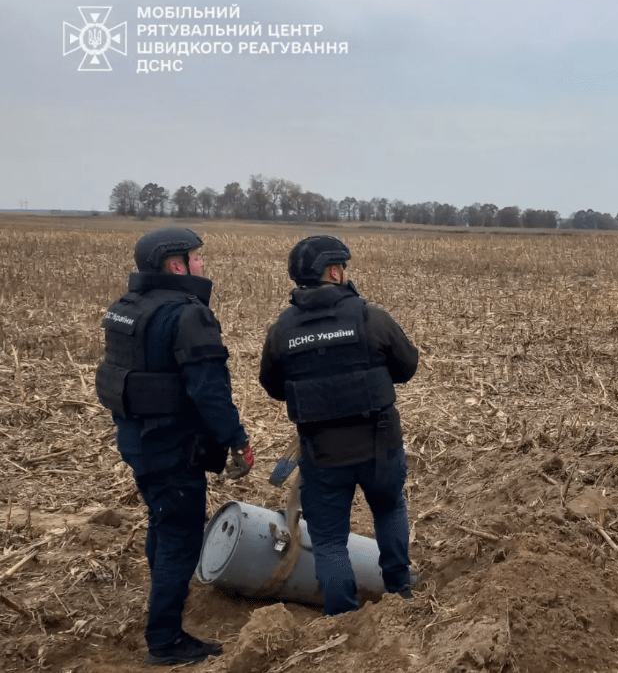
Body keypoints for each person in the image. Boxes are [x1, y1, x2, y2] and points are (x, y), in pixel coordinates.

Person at [95, 227, 255, 666]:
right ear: (175, 265)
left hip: (137, 441)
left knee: (163, 524)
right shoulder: (188, 314)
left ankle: (165, 603)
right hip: (173, 447)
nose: (202, 264)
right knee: (181, 538)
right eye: (196, 257)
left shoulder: (125, 309)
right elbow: (209, 390)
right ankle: (165, 640)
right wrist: (236, 440)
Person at [258, 235, 419, 615]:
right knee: (389, 509)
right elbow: (407, 366)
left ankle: (342, 618)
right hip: (380, 445)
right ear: (335, 271)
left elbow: (273, 386)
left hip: (322, 454)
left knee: (330, 541)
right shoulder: (371, 317)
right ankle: (400, 594)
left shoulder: (282, 330)